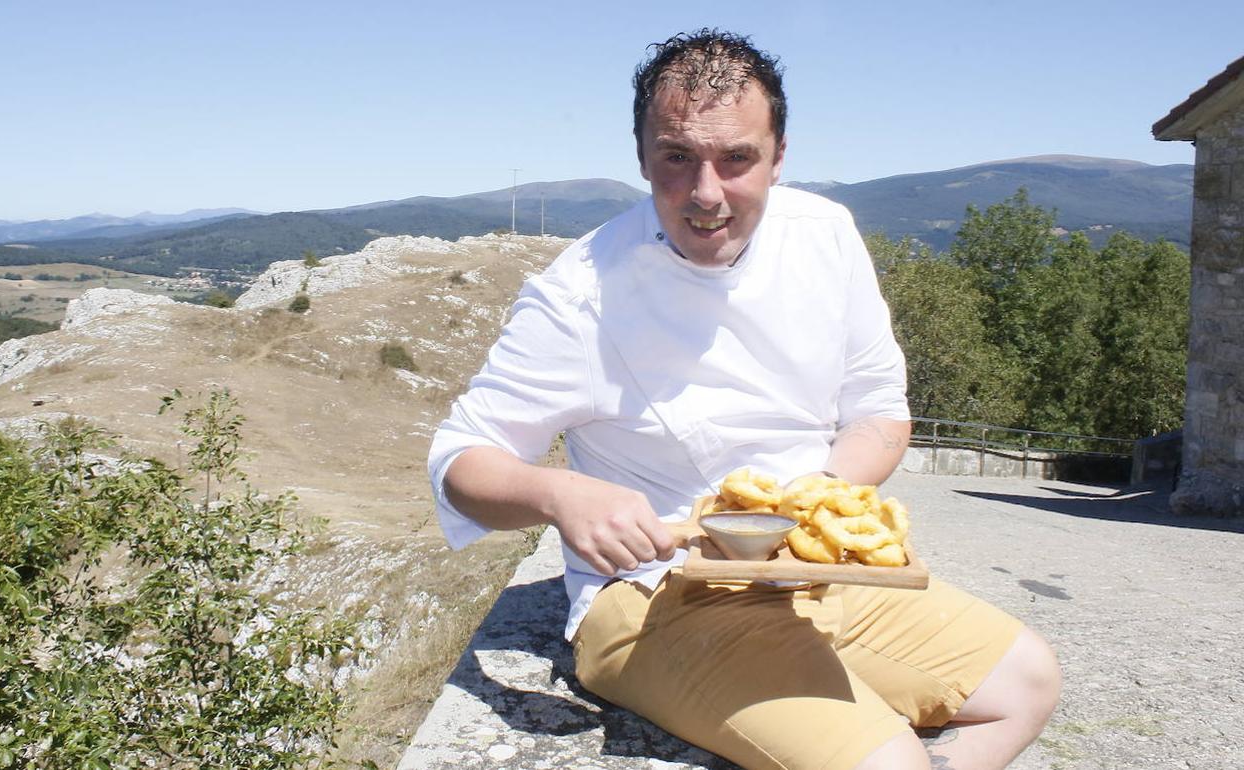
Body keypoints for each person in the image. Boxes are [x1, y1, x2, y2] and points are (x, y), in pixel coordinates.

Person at [428, 28, 1060, 770]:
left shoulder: (825, 236)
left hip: (807, 572)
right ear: (641, 157)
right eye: (676, 157)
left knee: (1027, 681)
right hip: (659, 597)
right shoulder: (578, 296)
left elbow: (879, 412)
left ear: (779, 156)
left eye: (737, 160)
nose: (706, 194)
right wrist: (559, 494)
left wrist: (815, 507)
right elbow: (459, 461)